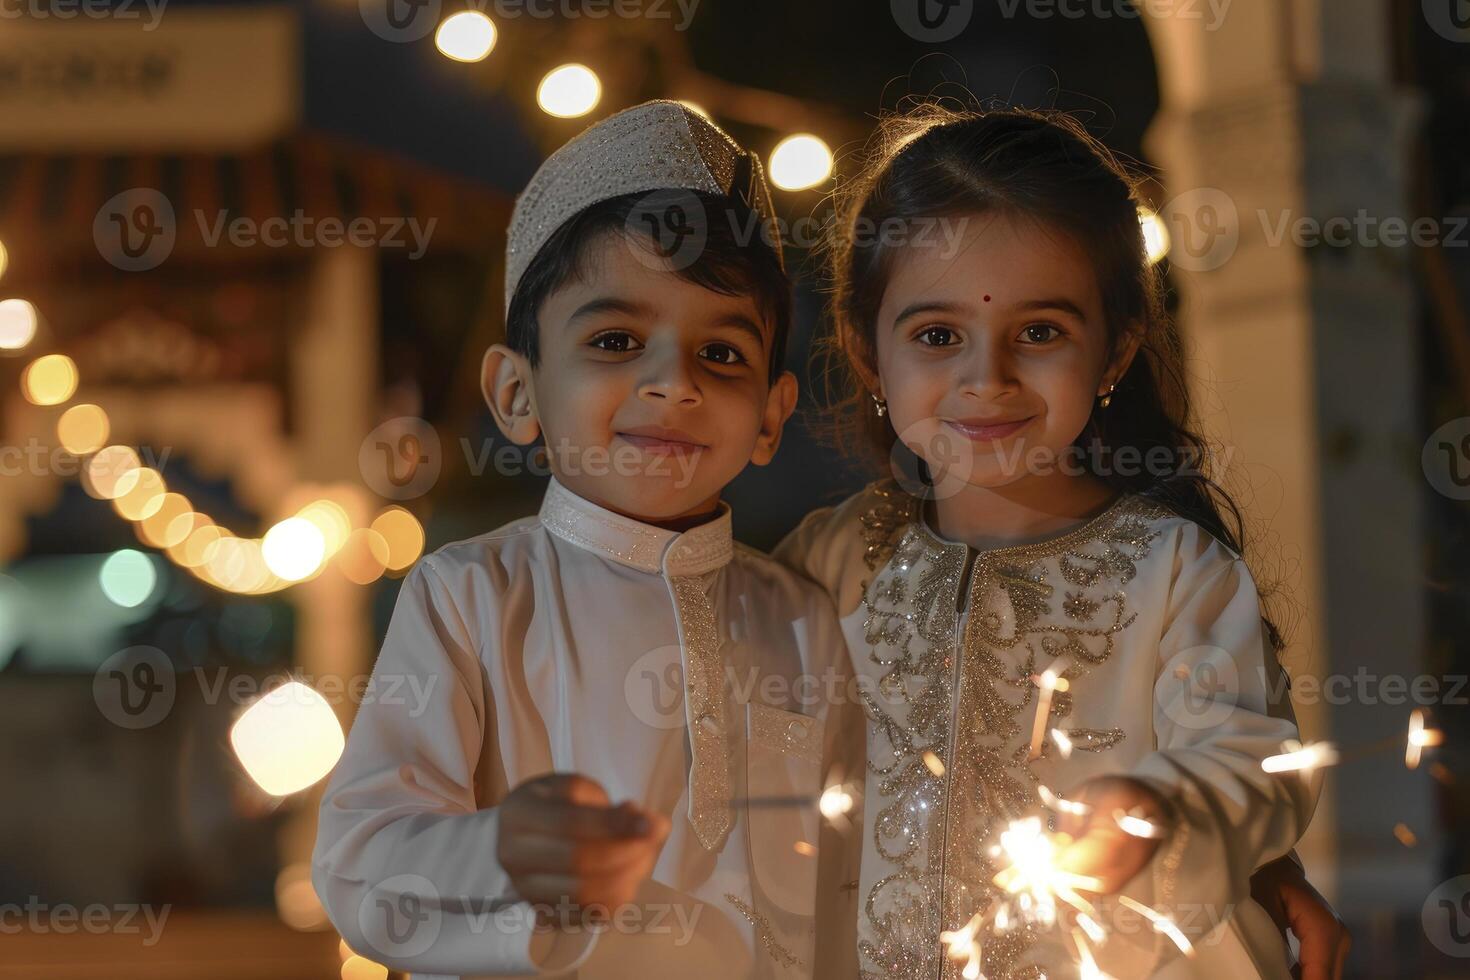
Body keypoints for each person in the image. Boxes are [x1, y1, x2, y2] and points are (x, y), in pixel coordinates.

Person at [774, 104, 1351, 979]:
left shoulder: (1172, 569)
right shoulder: (833, 560)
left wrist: (1162, 810)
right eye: (938, 337)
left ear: (1115, 350)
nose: (988, 380)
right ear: (866, 350)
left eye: (1039, 334)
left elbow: (1252, 760)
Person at [311, 101, 855, 979]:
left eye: (721, 355)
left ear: (771, 415)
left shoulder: (801, 615)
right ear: (517, 394)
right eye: (615, 340)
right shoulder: (473, 595)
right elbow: (355, 865)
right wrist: (500, 849)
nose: (672, 382)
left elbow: (843, 884)